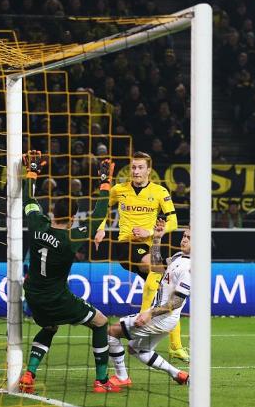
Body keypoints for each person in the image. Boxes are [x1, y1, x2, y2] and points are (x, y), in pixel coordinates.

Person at [18, 150, 120, 394]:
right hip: (57, 297)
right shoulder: (72, 237)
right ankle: (102, 380)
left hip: (33, 294)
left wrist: (31, 172)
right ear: (74, 216)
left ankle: (29, 374)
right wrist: (105, 183)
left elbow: (27, 200)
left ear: (51, 210)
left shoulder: (36, 224)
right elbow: (98, 215)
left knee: (50, 326)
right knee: (101, 322)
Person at [93, 151, 187, 362]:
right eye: (133, 167)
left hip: (149, 246)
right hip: (127, 245)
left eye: (140, 167)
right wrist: (100, 229)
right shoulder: (119, 189)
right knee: (158, 271)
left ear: (148, 170)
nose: (135, 171)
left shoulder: (160, 192)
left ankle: (175, 346)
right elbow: (101, 210)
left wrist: (151, 233)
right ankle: (141, 320)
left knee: (166, 290)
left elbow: (172, 222)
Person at [107, 219, 190, 387]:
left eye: (189, 237)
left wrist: (149, 314)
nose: (184, 239)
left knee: (111, 332)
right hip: (164, 317)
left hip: (162, 317)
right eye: (184, 235)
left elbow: (177, 301)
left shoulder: (189, 268)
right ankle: (178, 374)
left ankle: (122, 378)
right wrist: (157, 239)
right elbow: (155, 266)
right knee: (137, 349)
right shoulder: (178, 257)